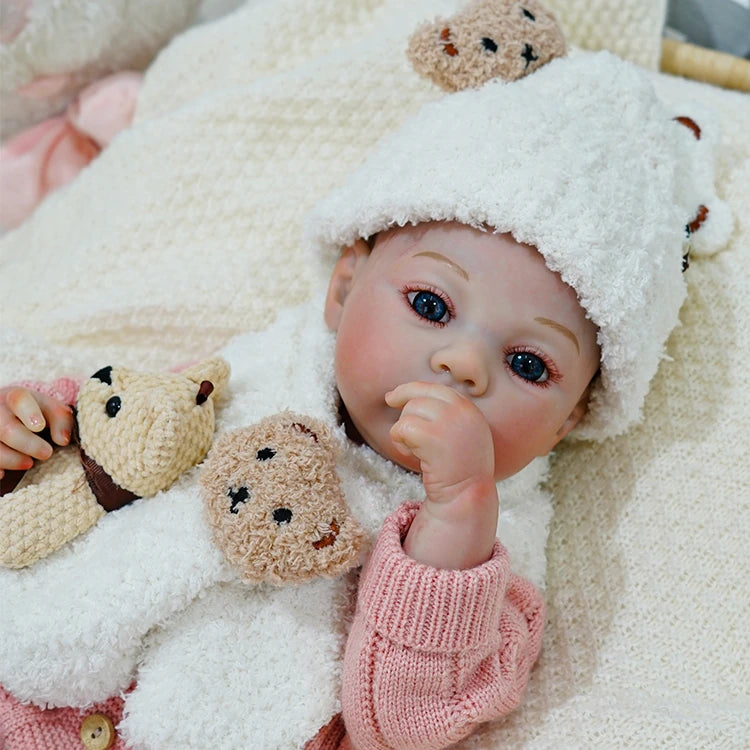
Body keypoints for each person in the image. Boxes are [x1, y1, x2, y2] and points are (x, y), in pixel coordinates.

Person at [0, 52, 730, 749]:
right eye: (430, 305)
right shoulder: (250, 374)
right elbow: (114, 437)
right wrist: (29, 435)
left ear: (570, 420)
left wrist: (456, 520)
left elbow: (404, 726)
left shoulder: (499, 559)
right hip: (28, 682)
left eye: (528, 363)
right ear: (343, 288)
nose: (464, 364)